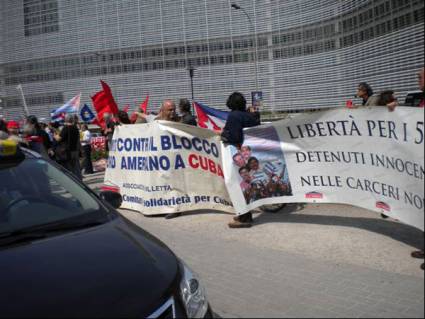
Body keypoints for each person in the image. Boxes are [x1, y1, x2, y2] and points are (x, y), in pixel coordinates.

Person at [221, 92, 261, 228]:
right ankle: (244, 214)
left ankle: (245, 217)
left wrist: (223, 134)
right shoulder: (249, 116)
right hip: (248, 152)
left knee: (236, 183)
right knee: (245, 183)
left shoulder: (233, 116)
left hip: (236, 153)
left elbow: (234, 137)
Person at [55, 114, 82, 180]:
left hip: (68, 151)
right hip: (75, 150)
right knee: (76, 167)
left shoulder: (66, 128)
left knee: (69, 167)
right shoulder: (75, 128)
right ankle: (80, 180)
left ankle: (75, 182)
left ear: (65, 120)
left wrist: (55, 135)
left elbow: (59, 139)